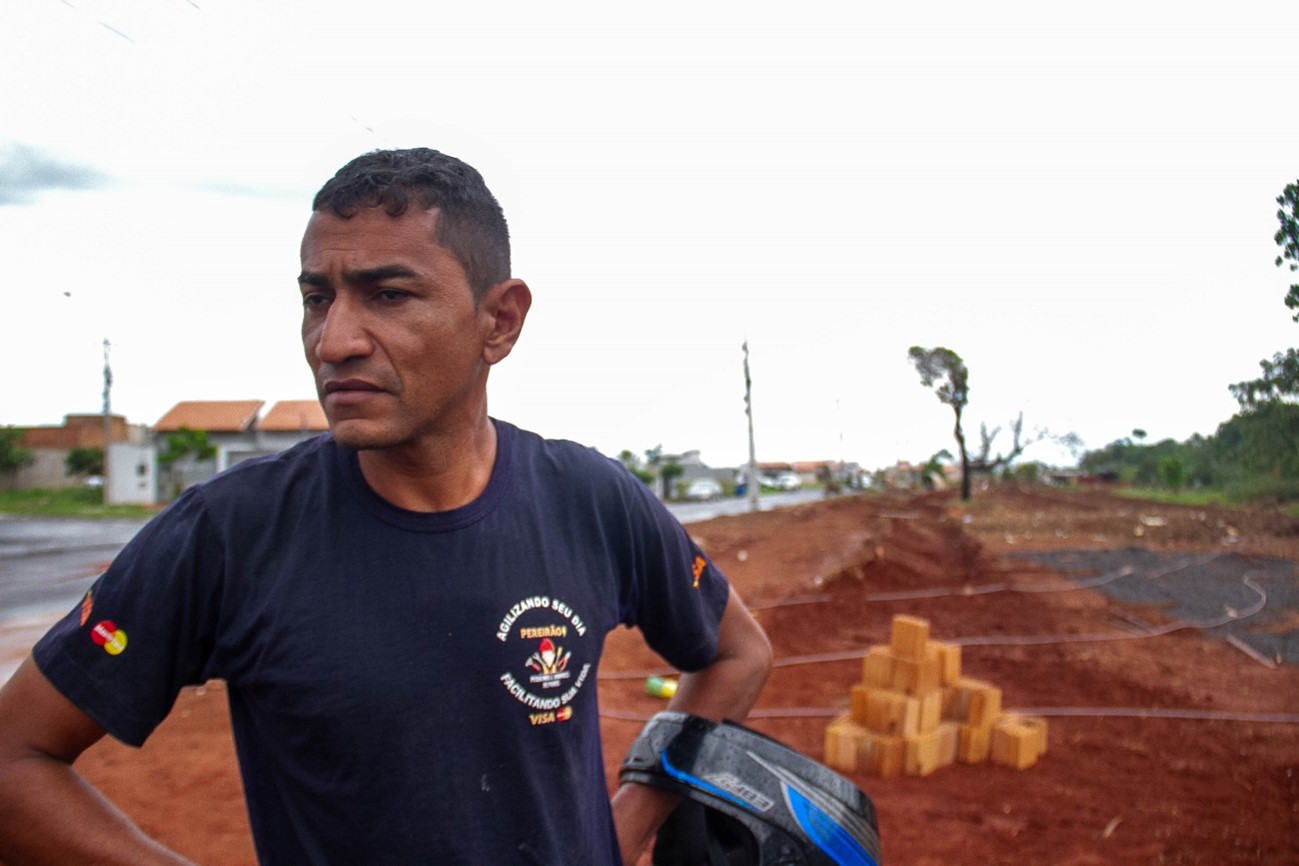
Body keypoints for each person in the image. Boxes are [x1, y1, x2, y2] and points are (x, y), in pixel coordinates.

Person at [0, 148, 773, 865]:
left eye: (388, 295)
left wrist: (628, 821)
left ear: (498, 321)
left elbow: (738, 653)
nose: (333, 341)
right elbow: (14, 759)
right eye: (316, 298)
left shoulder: (593, 500)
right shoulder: (231, 533)